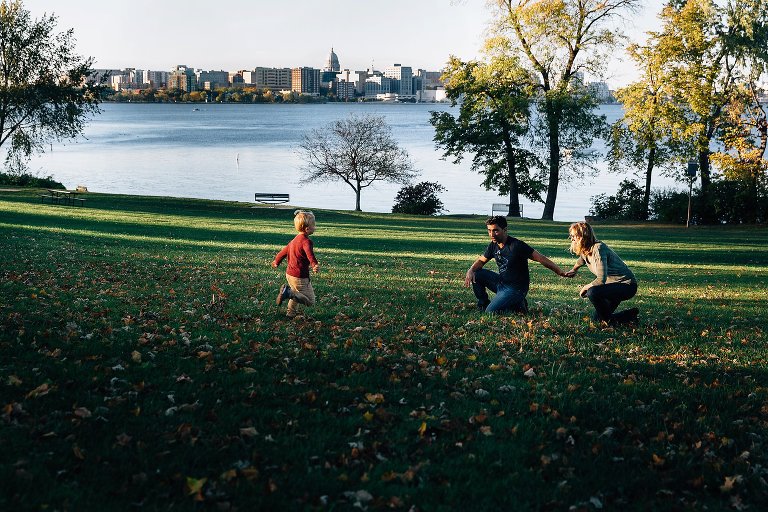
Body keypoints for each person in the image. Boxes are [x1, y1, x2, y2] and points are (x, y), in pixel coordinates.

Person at [464, 216, 565, 314]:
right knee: (476, 273)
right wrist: (471, 270)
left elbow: (540, 258)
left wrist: (560, 271)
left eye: (495, 230)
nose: (492, 234)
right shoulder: (493, 245)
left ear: (505, 229)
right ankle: (483, 305)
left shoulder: (516, 245)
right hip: (501, 283)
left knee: (491, 312)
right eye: (489, 230)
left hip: (516, 289)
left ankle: (518, 304)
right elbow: (481, 261)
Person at [563, 221, 638, 325]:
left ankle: (614, 321)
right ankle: (629, 316)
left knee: (592, 292)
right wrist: (574, 269)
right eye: (571, 236)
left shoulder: (598, 249)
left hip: (626, 286)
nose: (572, 239)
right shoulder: (586, 249)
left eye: (574, 236)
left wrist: (585, 287)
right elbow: (582, 259)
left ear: (582, 236)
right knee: (598, 320)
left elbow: (600, 280)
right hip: (612, 286)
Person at [272, 210, 319, 318]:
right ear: (307, 229)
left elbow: (282, 253)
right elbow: (310, 254)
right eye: (314, 225)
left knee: (297, 293)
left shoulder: (294, 240)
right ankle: (288, 293)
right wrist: (314, 264)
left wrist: (276, 261)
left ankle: (290, 313)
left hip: (289, 274)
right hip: (299, 276)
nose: (315, 227)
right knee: (310, 301)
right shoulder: (306, 242)